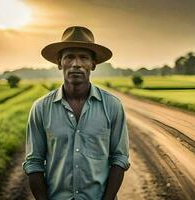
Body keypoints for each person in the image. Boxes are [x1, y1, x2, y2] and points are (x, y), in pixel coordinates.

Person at [22, 26, 130, 200]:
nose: (76, 64)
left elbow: (119, 159)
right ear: (59, 62)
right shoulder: (41, 108)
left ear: (93, 64)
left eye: (84, 57)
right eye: (70, 57)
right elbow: (34, 163)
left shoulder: (112, 106)